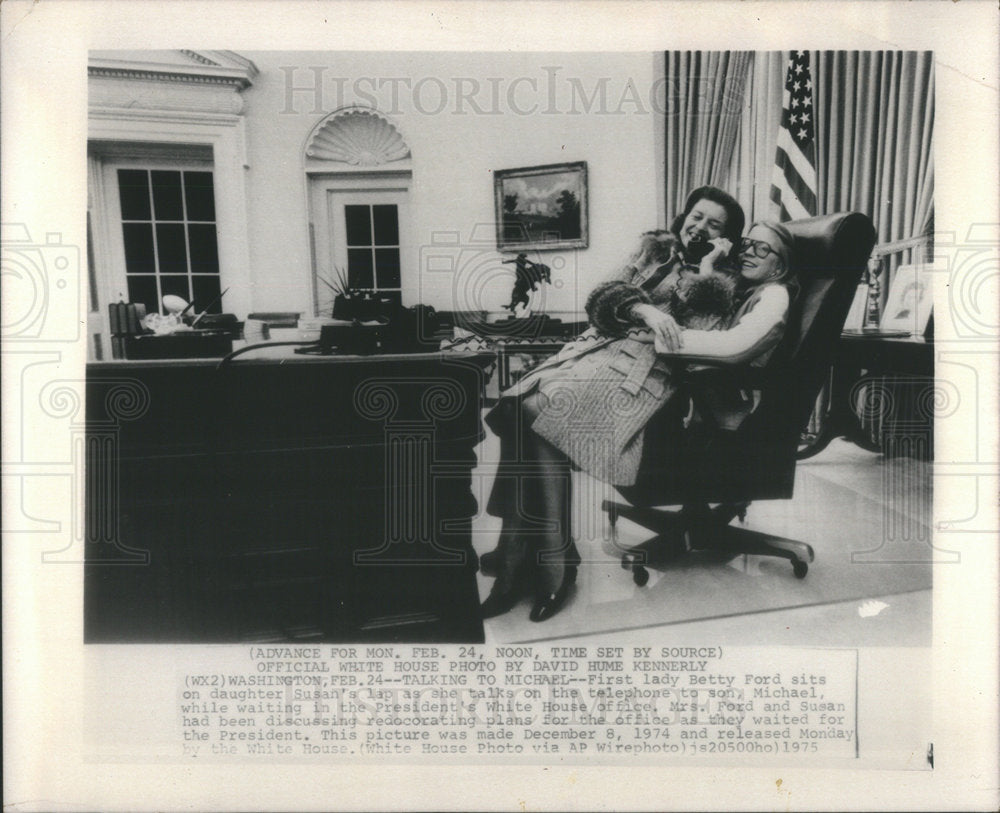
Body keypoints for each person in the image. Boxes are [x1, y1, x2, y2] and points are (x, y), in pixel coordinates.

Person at [480, 210, 797, 624]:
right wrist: (644, 313)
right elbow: (604, 296)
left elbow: (721, 344)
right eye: (696, 216)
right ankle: (531, 551)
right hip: (618, 365)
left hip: (678, 398)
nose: (700, 228)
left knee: (531, 412)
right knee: (518, 410)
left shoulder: (744, 286)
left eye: (716, 225)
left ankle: (534, 555)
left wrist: (697, 283)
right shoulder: (661, 253)